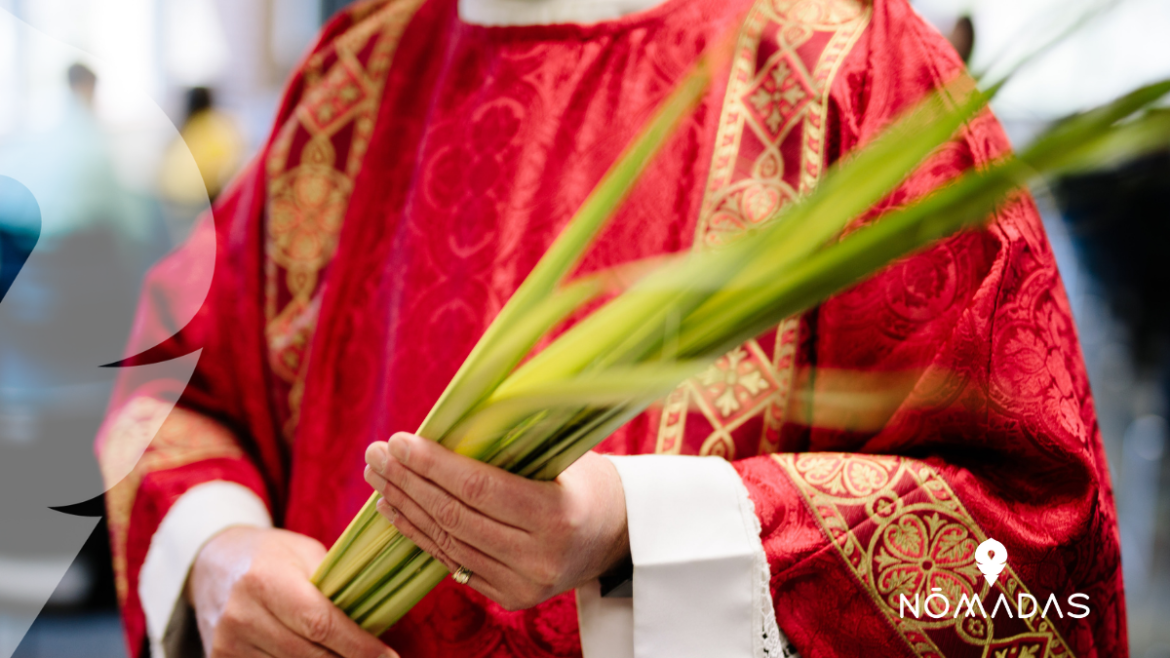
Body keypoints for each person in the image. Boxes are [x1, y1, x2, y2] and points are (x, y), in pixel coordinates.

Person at [94, 0, 1127, 657]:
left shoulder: (853, 70)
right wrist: (217, 554)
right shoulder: (354, 73)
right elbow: (172, 388)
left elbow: (1031, 532)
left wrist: (631, 525)